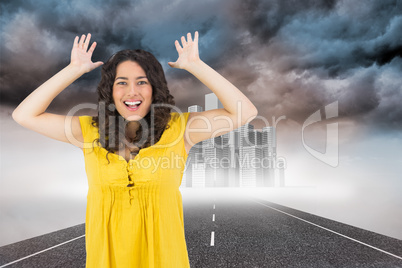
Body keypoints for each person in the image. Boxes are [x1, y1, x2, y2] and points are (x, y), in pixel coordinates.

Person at [12, 32, 258, 267]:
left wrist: (195, 65)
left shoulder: (181, 129)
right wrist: (73, 70)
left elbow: (244, 112)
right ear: (110, 90)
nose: (132, 92)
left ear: (154, 89)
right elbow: (24, 115)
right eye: (122, 83)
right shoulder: (88, 132)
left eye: (142, 82)